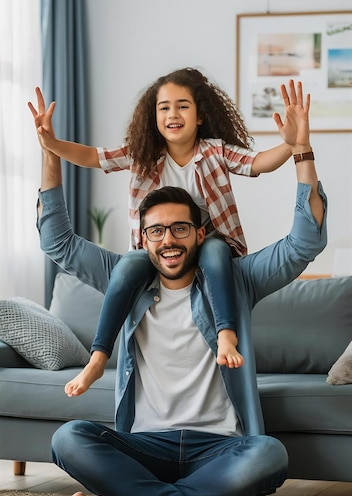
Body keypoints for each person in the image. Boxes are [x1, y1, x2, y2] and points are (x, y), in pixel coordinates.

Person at [36, 80, 327, 496]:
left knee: (269, 454)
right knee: (68, 438)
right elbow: (58, 242)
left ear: (199, 232)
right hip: (145, 443)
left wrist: (302, 149)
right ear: (143, 237)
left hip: (221, 447)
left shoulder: (237, 279)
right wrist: (49, 153)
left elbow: (304, 242)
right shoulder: (125, 276)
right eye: (156, 231)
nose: (168, 239)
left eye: (180, 229)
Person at [30, 68, 297, 393]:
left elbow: (257, 163)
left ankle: (226, 334)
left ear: (200, 115)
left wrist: (291, 145)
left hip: (210, 242)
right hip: (154, 251)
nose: (173, 114)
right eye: (164, 107)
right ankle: (98, 358)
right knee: (128, 265)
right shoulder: (142, 154)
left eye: (183, 106)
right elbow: (91, 157)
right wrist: (51, 143)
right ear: (153, 115)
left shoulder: (214, 151)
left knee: (214, 251)